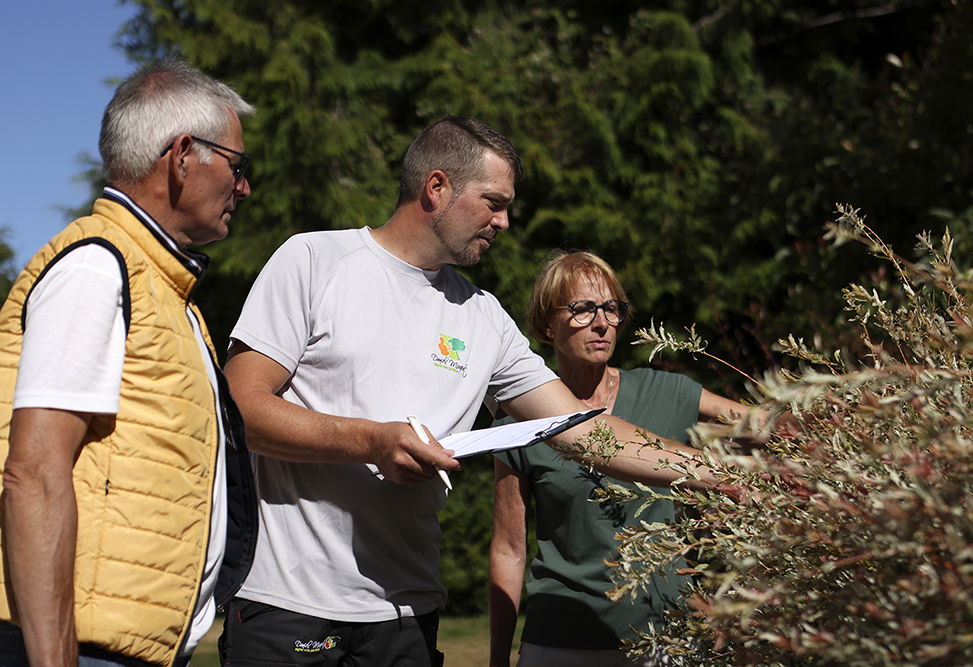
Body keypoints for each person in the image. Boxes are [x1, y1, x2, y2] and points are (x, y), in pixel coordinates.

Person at [220, 116, 719, 667]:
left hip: (406, 614)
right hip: (288, 605)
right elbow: (241, 411)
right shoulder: (314, 262)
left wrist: (724, 473)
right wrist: (371, 441)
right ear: (437, 188)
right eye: (494, 202)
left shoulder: (483, 317)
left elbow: (585, 429)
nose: (504, 222)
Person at [0, 59, 259, 667]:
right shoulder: (96, 269)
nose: (244, 187)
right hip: (81, 649)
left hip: (121, 644)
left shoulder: (160, 289)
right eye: (237, 165)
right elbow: (35, 472)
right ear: (183, 155)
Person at [488, 250, 758, 667]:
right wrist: (496, 659)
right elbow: (509, 549)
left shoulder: (668, 393)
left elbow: (761, 426)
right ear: (546, 324)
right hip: (561, 642)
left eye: (611, 309)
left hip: (664, 637)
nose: (601, 323)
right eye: (582, 309)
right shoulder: (518, 421)